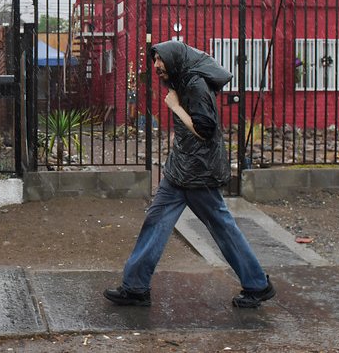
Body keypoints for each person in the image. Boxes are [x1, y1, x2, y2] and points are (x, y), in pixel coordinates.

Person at [104, 40, 276, 308]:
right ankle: (135, 286)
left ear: (174, 59)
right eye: (155, 61)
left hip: (199, 174)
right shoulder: (182, 81)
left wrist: (175, 107)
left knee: (223, 228)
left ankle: (257, 284)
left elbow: (205, 129)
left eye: (160, 60)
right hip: (179, 171)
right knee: (156, 222)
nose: (157, 66)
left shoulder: (195, 85)